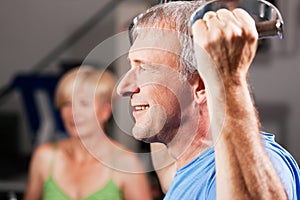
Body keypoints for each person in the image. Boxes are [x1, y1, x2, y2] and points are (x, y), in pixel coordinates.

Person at [117, 1, 300, 200]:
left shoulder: (260, 164)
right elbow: (168, 173)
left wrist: (225, 77)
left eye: (144, 68)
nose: (122, 88)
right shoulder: (187, 170)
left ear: (201, 86)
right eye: (132, 66)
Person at [24, 66, 152, 200]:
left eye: (84, 104)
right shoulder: (45, 157)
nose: (73, 112)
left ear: (105, 111)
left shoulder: (127, 164)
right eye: (67, 104)